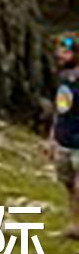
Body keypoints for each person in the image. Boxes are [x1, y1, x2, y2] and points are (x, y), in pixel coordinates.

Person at [47, 34, 79, 240]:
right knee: (68, 184)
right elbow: (61, 110)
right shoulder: (64, 79)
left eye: (65, 51)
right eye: (59, 51)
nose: (60, 55)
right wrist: (51, 137)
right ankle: (75, 225)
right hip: (64, 139)